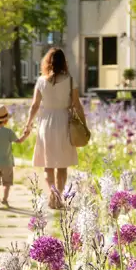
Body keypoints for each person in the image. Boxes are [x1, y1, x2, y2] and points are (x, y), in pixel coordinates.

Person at [19, 47, 82, 210]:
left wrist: (28, 124)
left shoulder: (41, 81)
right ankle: (58, 197)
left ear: (47, 62)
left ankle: (52, 196)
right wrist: (84, 125)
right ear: (64, 63)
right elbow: (77, 105)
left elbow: (34, 105)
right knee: (62, 165)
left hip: (46, 124)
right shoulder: (69, 80)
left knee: (48, 165)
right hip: (64, 123)